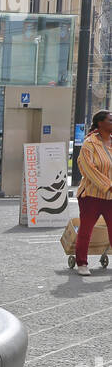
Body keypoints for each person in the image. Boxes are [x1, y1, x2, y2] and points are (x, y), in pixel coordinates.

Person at [73, 110, 112, 276]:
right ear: (100, 123)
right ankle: (81, 263)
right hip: (91, 196)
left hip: (110, 197)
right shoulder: (89, 143)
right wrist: (108, 185)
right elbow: (88, 169)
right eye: (111, 120)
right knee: (86, 230)